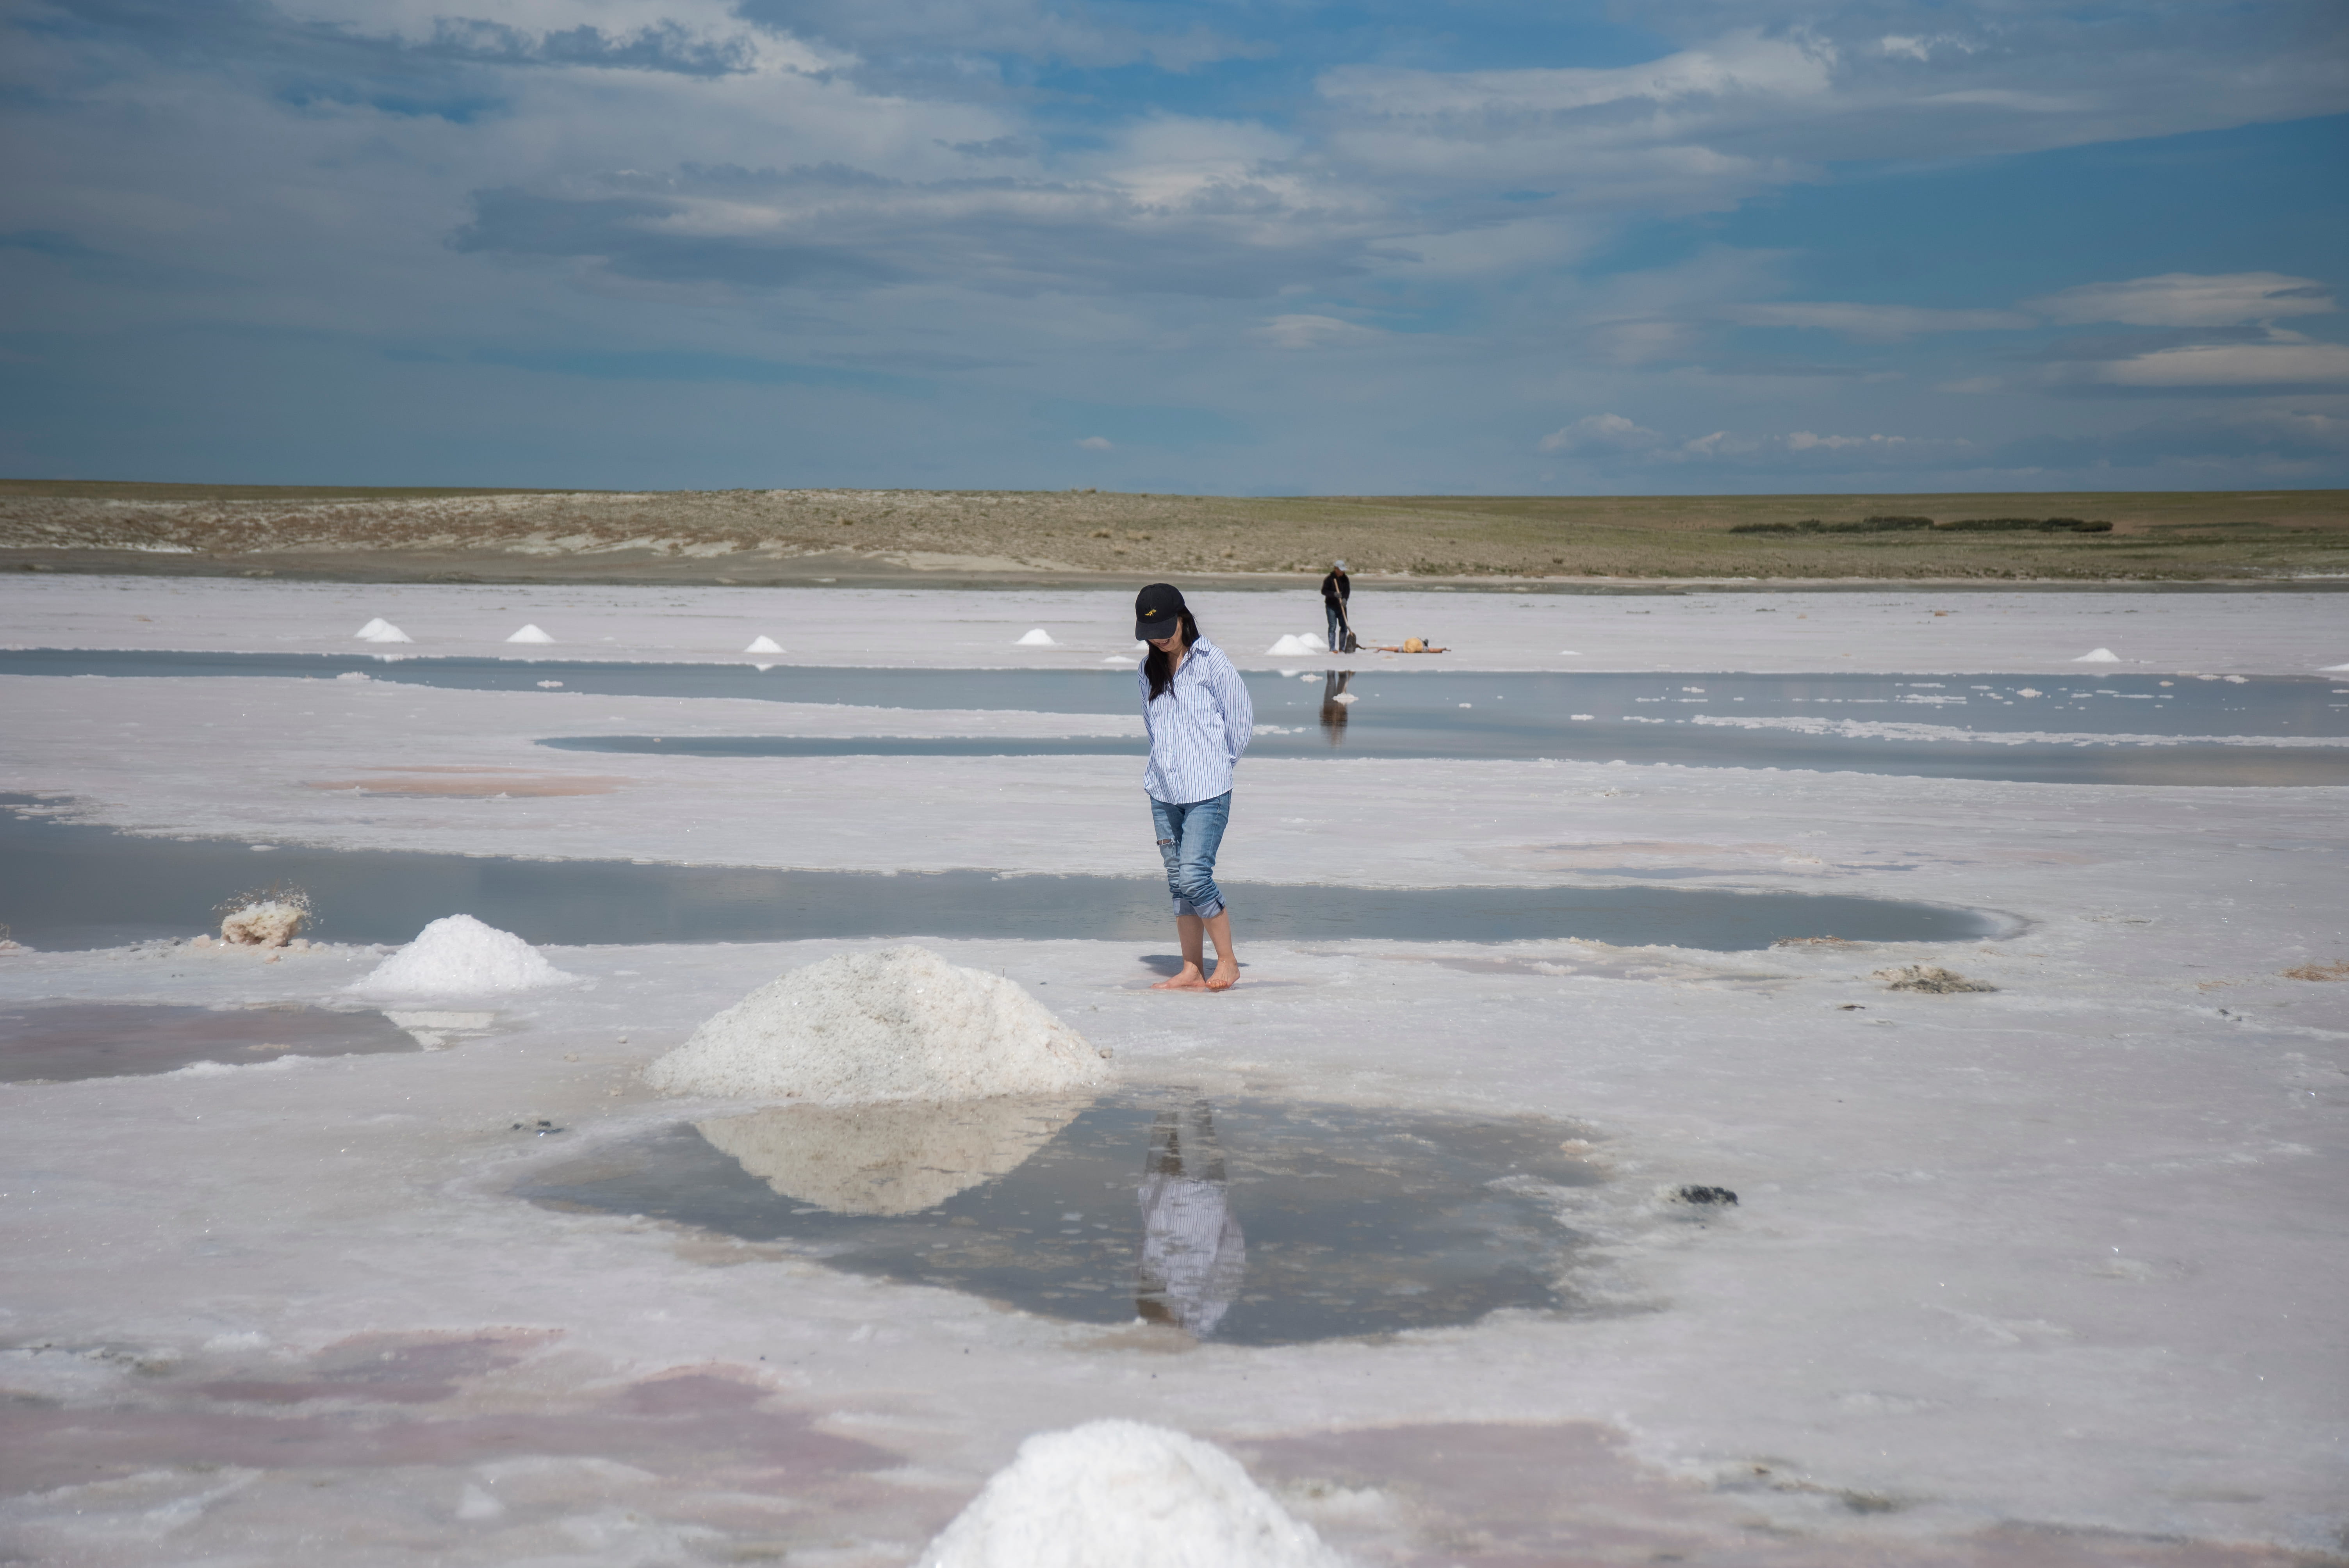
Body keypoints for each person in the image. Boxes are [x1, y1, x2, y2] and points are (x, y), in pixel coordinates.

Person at [1133, 583, 1253, 992]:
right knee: (1176, 881)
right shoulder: (1147, 671)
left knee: (1195, 876)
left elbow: (1240, 723)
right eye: (1152, 631)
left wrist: (1216, 764)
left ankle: (1228, 961)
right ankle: (1190, 968)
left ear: (1183, 617)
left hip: (1208, 790)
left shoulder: (1213, 663)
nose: (1160, 637)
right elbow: (1154, 730)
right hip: (1163, 790)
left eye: (1167, 627)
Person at [1320, 559, 1351, 652]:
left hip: (1342, 607)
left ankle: (1342, 648)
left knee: (1344, 626)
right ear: (1336, 569)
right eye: (1341, 570)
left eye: (1343, 570)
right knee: (1333, 626)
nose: (1342, 572)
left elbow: (1347, 591)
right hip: (1331, 607)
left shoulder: (1346, 579)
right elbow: (1324, 591)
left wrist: (1345, 599)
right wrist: (1334, 594)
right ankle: (1332, 648)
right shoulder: (1329, 579)